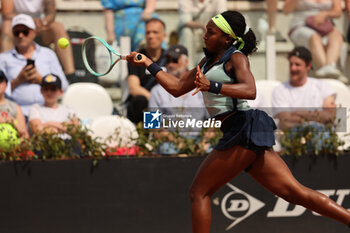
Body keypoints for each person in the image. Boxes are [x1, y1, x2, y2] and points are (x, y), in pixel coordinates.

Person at [127, 10, 350, 233]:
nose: (204, 36)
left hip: (242, 128)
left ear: (227, 38)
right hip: (241, 131)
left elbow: (250, 90)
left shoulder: (236, 58)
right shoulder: (205, 62)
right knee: (294, 193)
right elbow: (176, 88)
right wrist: (147, 62)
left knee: (199, 192)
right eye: (205, 31)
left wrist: (212, 86)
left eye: (210, 32)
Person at [0, 14, 68, 118]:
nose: (21, 35)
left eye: (25, 32)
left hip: (45, 112)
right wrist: (17, 81)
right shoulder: (3, 58)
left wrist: (42, 81)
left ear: (34, 33)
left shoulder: (48, 54)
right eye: (16, 32)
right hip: (15, 113)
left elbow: (63, 86)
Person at [148, 44, 209, 154]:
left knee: (212, 149)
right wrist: (177, 141)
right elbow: (152, 126)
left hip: (199, 139)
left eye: (175, 60)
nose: (170, 64)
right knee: (167, 149)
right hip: (170, 142)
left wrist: (206, 141)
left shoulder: (202, 88)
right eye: (167, 60)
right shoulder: (156, 91)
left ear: (186, 62)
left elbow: (213, 121)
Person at [0, 0, 76, 80]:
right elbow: (7, 14)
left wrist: (44, 21)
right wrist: (29, 21)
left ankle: (71, 76)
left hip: (37, 27)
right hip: (16, 26)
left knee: (58, 27)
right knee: (6, 26)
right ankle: (3, 73)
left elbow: (51, 13)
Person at [272, 46, 336, 130]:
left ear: (308, 66)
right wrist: (317, 116)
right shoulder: (280, 90)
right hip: (294, 137)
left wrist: (301, 113)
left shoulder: (323, 87)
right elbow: (286, 121)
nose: (293, 68)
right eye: (291, 64)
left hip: (321, 135)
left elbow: (329, 116)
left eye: (297, 65)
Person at [283, 0, 345, 80]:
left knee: (337, 36)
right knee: (314, 37)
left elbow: (338, 12)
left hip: (324, 25)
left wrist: (325, 14)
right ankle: (327, 69)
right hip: (300, 25)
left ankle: (329, 68)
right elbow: (286, 11)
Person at [126, 18, 167, 124]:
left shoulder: (170, 58)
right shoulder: (136, 58)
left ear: (164, 36)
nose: (150, 36)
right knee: (140, 100)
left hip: (167, 101)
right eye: (148, 32)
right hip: (145, 103)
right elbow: (134, 88)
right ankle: (148, 134)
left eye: (155, 32)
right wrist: (154, 99)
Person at [178, 0, 227, 68]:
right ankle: (187, 69)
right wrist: (202, 26)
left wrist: (209, 29)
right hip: (193, 34)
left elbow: (222, 19)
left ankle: (216, 66)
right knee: (186, 31)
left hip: (210, 32)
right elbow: (185, 21)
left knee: (218, 34)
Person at [0, 70, 28, 139]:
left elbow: (24, 133)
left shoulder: (15, 107)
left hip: (14, 147)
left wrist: (11, 120)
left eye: (0, 81)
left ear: (6, 85)